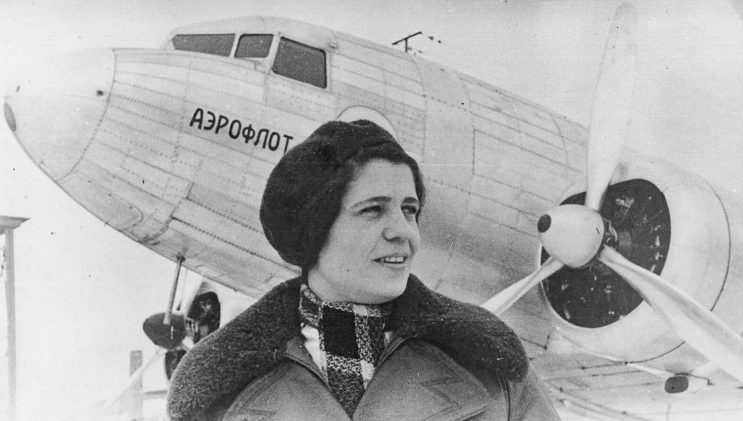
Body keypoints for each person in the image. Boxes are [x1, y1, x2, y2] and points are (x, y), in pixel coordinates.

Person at [167, 120, 559, 420]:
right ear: (314, 228)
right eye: (373, 210)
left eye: (409, 210)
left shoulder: (493, 365)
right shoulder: (216, 393)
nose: (404, 232)